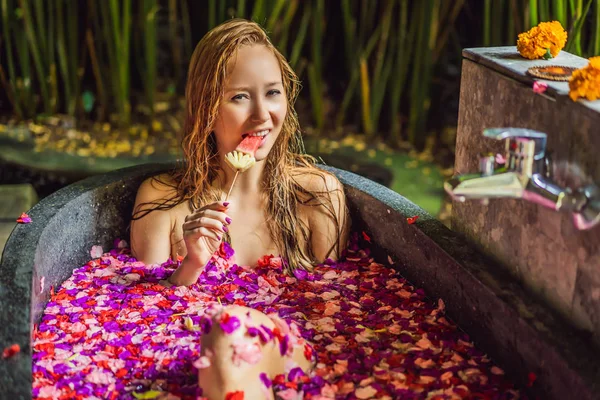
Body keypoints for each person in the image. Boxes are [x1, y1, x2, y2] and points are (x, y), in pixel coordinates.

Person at [129, 18, 350, 399]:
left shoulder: (317, 198)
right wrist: (190, 267)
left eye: (273, 93)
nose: (262, 115)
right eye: (240, 97)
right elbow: (141, 319)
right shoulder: (160, 202)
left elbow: (340, 307)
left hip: (290, 364)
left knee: (231, 325)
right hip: (195, 368)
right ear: (205, 108)